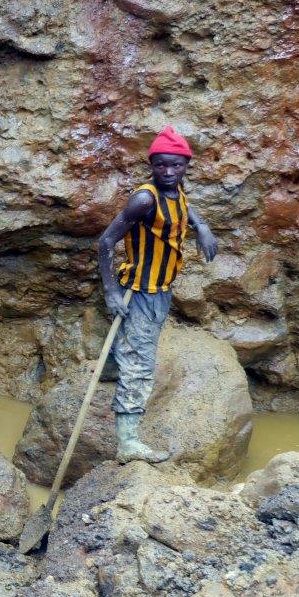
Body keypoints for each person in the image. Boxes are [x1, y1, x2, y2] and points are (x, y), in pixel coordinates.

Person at [96, 126, 218, 463]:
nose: (168, 172)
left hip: (161, 289)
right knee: (140, 364)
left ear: (185, 167)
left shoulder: (176, 190)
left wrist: (202, 226)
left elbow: (185, 206)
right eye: (161, 165)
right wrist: (109, 291)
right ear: (152, 164)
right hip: (139, 290)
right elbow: (106, 242)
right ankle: (128, 443)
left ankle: (111, 368)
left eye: (176, 166)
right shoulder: (144, 198)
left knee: (133, 346)